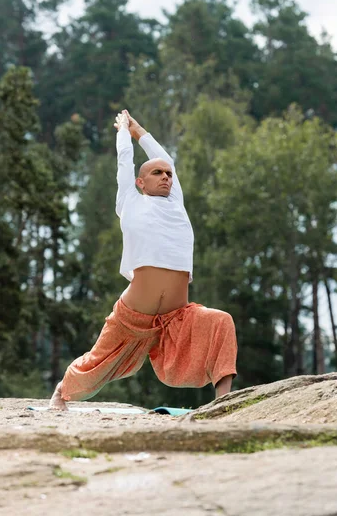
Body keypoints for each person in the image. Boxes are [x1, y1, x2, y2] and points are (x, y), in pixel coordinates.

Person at [49, 110, 237, 410]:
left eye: (168, 175)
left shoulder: (176, 204)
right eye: (157, 173)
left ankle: (223, 402)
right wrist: (125, 130)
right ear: (140, 182)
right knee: (95, 367)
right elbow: (125, 159)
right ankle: (61, 391)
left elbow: (168, 160)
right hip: (134, 316)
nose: (165, 177)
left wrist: (142, 132)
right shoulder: (130, 202)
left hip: (177, 317)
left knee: (221, 322)